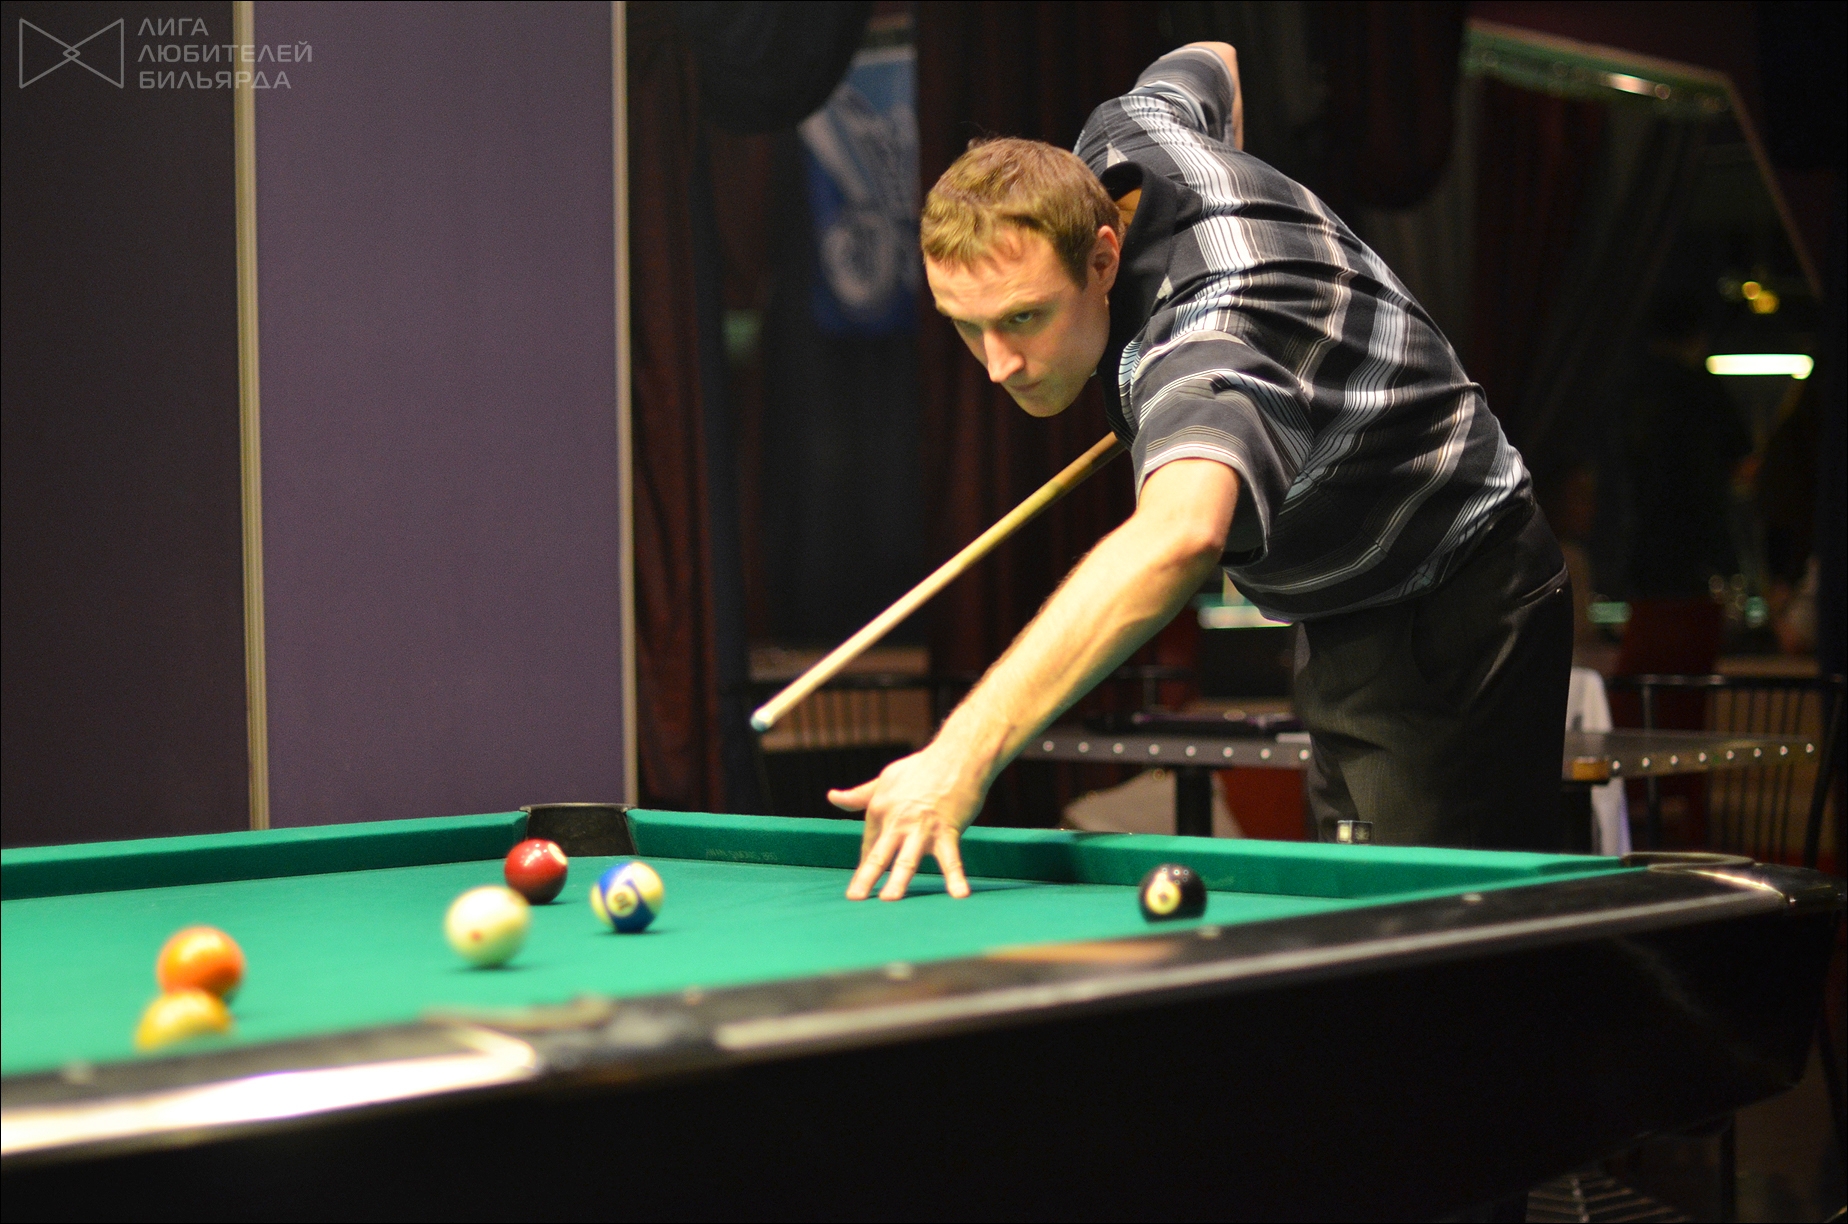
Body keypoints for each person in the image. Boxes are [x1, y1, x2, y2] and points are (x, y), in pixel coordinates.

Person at [830, 43, 1571, 901]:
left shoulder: (1209, 343)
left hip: (1454, 589)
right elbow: (1210, 59)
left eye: (1024, 318)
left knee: (1433, 930)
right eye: (967, 325)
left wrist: (961, 753)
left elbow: (1181, 537)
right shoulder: (1131, 135)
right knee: (1358, 901)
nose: (998, 365)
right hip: (1346, 598)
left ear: (1103, 258)